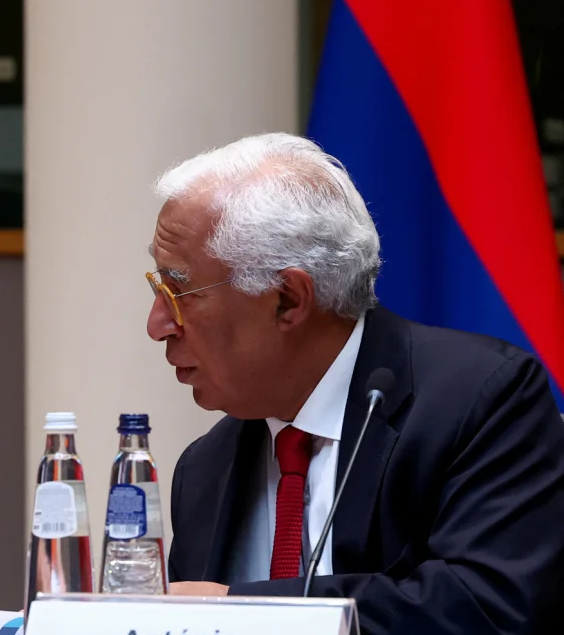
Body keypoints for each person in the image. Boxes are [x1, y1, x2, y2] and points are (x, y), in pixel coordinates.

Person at [148, 133, 564, 634]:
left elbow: (489, 607)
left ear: (288, 300)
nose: (157, 324)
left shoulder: (482, 401)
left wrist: (239, 611)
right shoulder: (203, 470)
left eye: (179, 291)